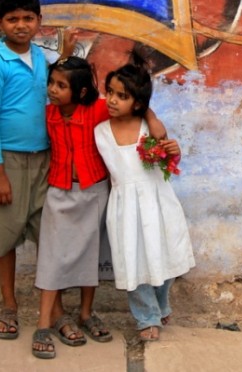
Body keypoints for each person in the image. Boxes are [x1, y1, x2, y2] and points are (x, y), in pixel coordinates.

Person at [32, 56, 167, 358]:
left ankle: (86, 313)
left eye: (61, 85)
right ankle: (43, 324)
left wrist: (154, 119)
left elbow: (135, 101)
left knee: (90, 254)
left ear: (81, 92)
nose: (52, 90)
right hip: (60, 190)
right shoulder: (48, 112)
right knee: (52, 257)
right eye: (51, 83)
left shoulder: (98, 110)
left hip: (94, 191)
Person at [0, 0, 72, 340]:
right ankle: (9, 305)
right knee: (5, 235)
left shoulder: (39, 58)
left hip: (44, 159)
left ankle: (55, 309)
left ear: (39, 21)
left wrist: (64, 57)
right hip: (9, 162)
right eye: (13, 19)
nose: (21, 25)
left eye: (28, 18)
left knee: (48, 235)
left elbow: (54, 90)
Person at [94, 55, 195, 342]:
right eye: (110, 92)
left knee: (164, 252)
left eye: (121, 96)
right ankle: (146, 317)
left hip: (157, 201)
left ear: (137, 103)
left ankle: (161, 303)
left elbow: (167, 164)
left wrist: (174, 151)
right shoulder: (100, 132)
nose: (112, 100)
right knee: (133, 261)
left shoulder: (149, 129)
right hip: (125, 207)